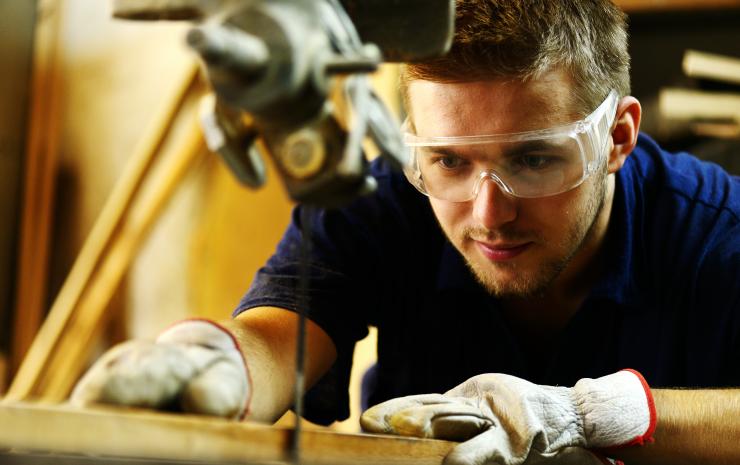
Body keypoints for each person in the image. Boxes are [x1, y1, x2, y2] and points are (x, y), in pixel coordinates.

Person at [72, 0, 740, 463]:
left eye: (533, 159)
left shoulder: (718, 232)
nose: (488, 214)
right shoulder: (382, 196)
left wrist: (594, 414)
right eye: (448, 161)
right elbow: (282, 339)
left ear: (618, 136)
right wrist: (217, 365)